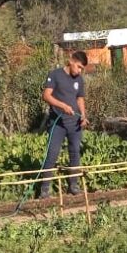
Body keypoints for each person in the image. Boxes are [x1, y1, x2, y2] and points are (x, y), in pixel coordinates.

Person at [39, 50, 90, 198]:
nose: (80, 71)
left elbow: (80, 99)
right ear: (71, 61)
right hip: (58, 123)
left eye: (82, 69)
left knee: (75, 153)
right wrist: (62, 106)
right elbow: (46, 95)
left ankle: (73, 186)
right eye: (79, 67)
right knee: (52, 154)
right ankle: (45, 189)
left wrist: (83, 116)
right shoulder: (55, 75)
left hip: (74, 124)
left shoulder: (79, 80)